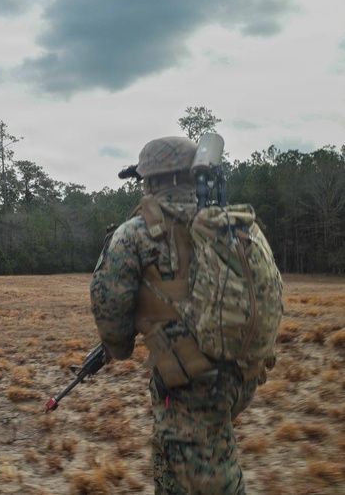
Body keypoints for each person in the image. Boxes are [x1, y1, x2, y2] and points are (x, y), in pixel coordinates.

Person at [89, 136, 281, 494]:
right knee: (187, 455)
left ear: (149, 180)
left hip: (189, 377)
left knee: (206, 474)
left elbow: (110, 315)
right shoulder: (231, 224)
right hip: (244, 369)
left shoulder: (134, 233)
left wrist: (121, 344)